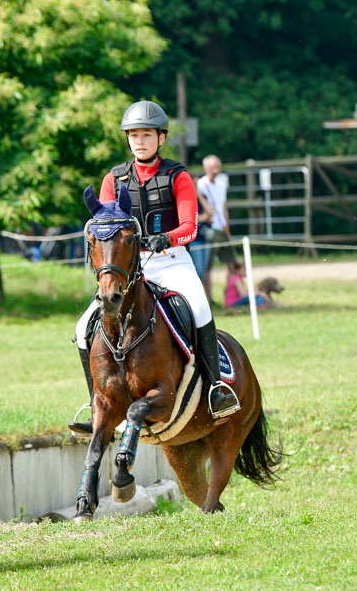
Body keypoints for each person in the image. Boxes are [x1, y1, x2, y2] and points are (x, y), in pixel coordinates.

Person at [69, 101, 240, 435]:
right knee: (81, 327)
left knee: (200, 307)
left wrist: (167, 238)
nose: (139, 141)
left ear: (160, 138)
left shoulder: (177, 175)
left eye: (146, 134)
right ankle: (95, 404)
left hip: (171, 260)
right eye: (133, 135)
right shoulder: (113, 178)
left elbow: (190, 226)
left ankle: (216, 389)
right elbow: (105, 226)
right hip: (128, 269)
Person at [197, 155, 236, 303]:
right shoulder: (200, 185)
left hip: (222, 227)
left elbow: (223, 206)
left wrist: (227, 225)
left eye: (217, 167)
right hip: (210, 228)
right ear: (205, 168)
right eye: (212, 167)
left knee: (232, 263)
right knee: (208, 266)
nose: (216, 170)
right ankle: (210, 298)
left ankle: (230, 296)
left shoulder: (221, 184)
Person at [189, 175, 212, 285]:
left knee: (204, 269)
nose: (196, 186)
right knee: (198, 269)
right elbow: (190, 217)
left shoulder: (203, 197)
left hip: (204, 238)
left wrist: (199, 195)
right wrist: (203, 217)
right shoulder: (186, 198)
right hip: (195, 239)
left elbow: (211, 212)